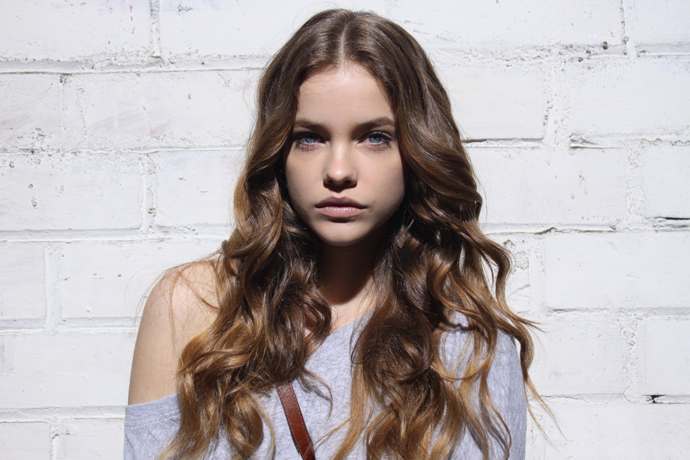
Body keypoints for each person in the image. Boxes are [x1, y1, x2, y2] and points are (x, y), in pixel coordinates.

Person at [125, 9, 540, 460]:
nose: (338, 171)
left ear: (417, 150)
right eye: (309, 137)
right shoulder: (193, 309)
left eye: (375, 137)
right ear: (278, 152)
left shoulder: (472, 347)